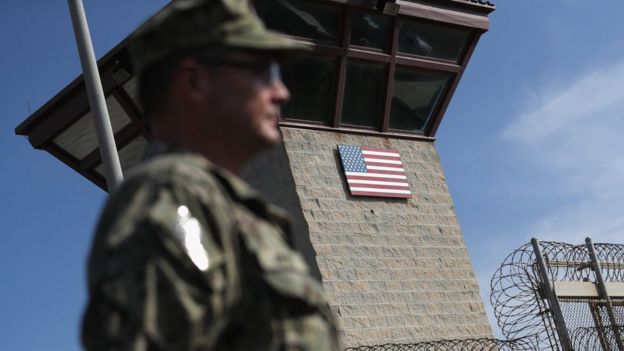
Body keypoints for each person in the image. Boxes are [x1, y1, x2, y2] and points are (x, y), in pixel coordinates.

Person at [81, 0, 340, 350]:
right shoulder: (171, 198)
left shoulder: (227, 207)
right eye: (262, 73)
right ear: (195, 81)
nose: (281, 92)